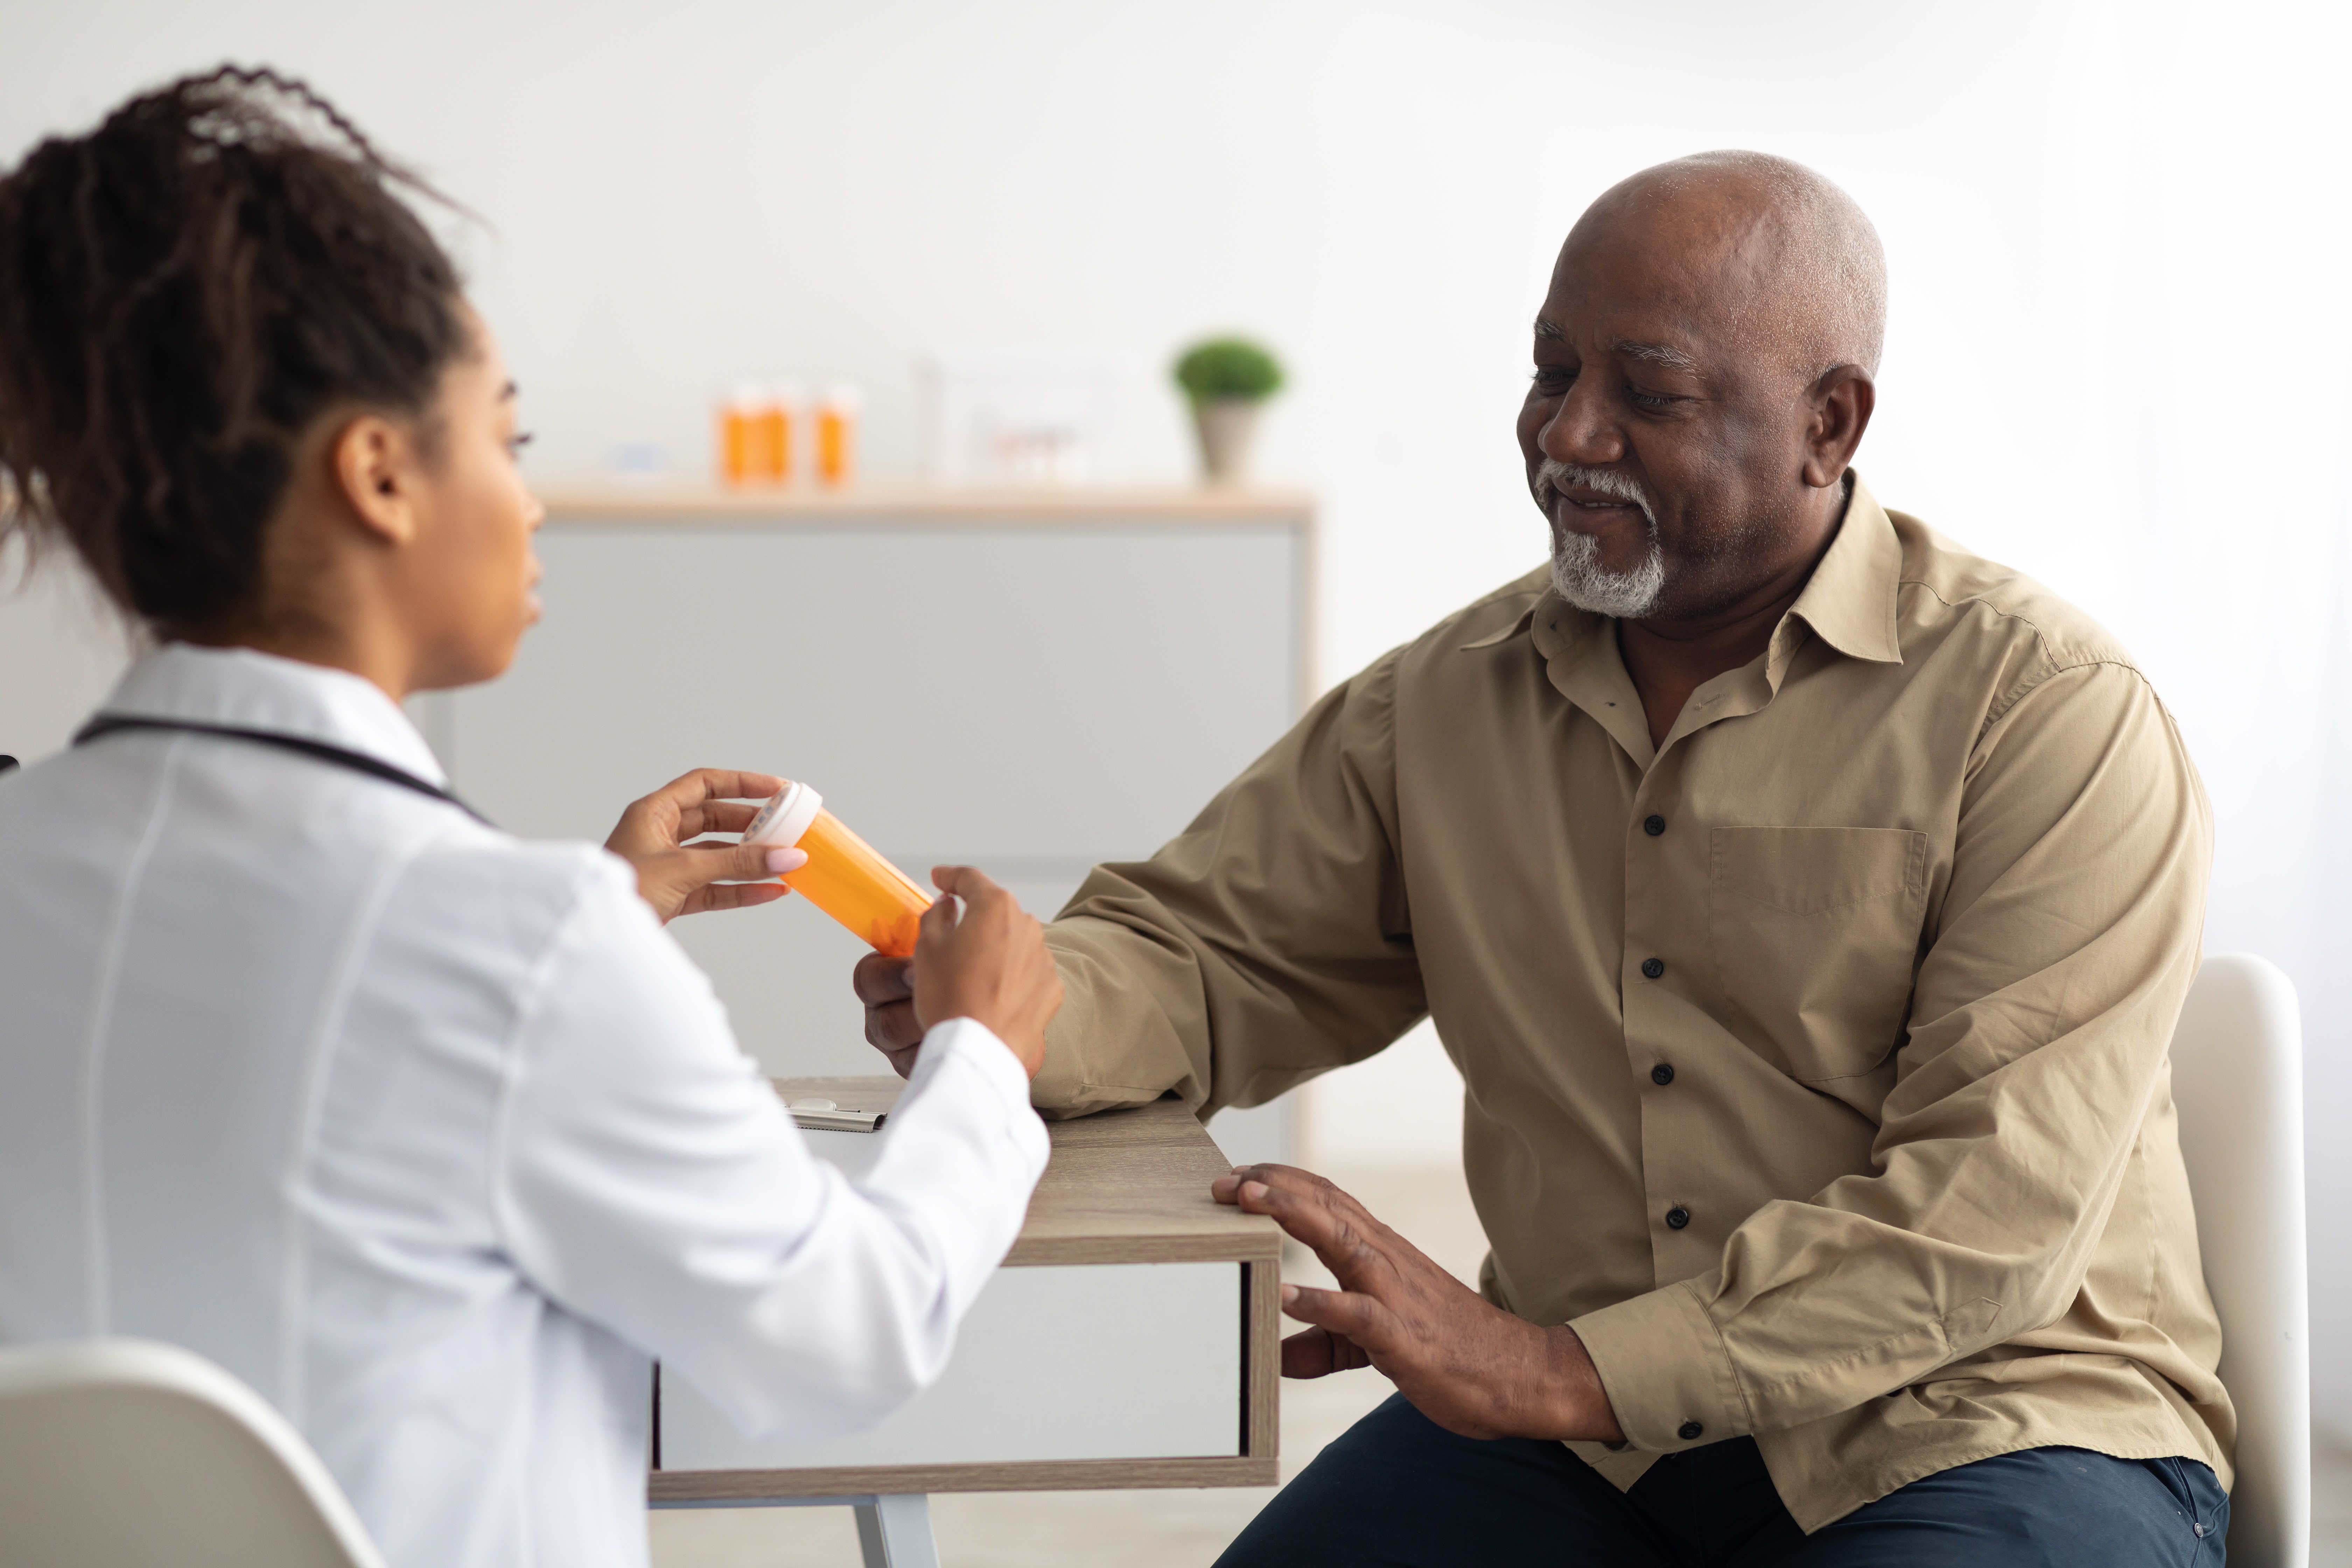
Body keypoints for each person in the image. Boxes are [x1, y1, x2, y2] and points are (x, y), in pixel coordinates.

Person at [860, 151, 2230, 1565]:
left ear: (1831, 422)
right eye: (1549, 372)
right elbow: (1210, 953)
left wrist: (1553, 1371)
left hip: (1983, 1420)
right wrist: (1008, 1010)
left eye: (1650, 393)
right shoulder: (1444, 700)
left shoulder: (2048, 713)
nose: (1570, 434)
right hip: (1589, 1454)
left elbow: (1984, 1219)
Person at [0, 68, 1062, 1568]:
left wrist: (576, 935)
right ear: (378, 472)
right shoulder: (511, 946)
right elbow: (846, 1336)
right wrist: (982, 1059)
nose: (534, 500)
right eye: (504, 438)